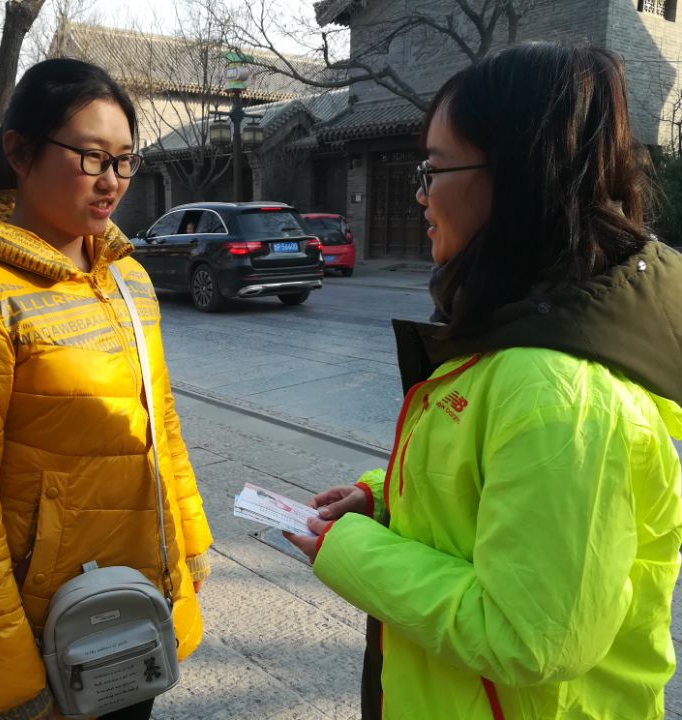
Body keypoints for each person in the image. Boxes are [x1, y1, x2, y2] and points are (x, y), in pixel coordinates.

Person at [285, 43, 682, 720]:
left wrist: (347, 548)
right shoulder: (515, 336)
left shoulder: (560, 389)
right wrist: (380, 499)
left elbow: (528, 636)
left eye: (434, 170)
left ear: (519, 179)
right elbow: (485, 491)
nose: (420, 193)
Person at [0, 58, 213, 720]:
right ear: (20, 152)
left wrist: (190, 546)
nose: (112, 182)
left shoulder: (127, 279)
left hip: (139, 596)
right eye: (91, 158)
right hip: (52, 622)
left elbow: (160, 422)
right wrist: (11, 678)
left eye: (125, 161)